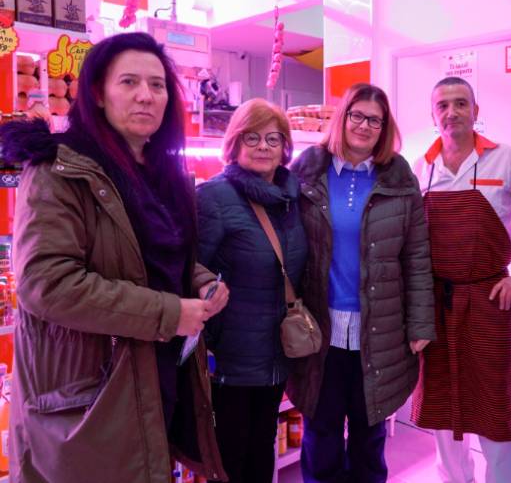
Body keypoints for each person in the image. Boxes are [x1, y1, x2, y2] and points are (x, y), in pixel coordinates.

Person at [0, 32, 229, 482]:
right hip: (87, 399)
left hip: (151, 376)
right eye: (129, 82)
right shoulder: (59, 170)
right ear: (99, 94)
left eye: (157, 85)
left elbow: (149, 255)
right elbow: (47, 284)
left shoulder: (160, 173)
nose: (146, 95)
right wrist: (169, 313)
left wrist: (199, 280)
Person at [288, 83, 435, 483]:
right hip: (320, 328)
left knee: (369, 437)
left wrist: (421, 323)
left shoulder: (399, 177)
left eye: (375, 120)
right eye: (357, 115)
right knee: (321, 434)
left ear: (384, 128)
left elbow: (417, 255)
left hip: (380, 329)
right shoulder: (307, 169)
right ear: (343, 117)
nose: (365, 126)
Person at [411, 76, 511, 483]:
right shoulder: (421, 167)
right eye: (443, 105)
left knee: (495, 406)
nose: (452, 112)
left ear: (476, 111)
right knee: (442, 407)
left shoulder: (507, 159)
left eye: (461, 103)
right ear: (433, 115)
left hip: (490, 302)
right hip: (436, 303)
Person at [196, 98, 308, 483]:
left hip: (277, 351)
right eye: (253, 137)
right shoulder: (214, 197)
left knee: (262, 449)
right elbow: (189, 266)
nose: (263, 147)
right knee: (230, 457)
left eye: (273, 139)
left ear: (285, 147)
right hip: (231, 357)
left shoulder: (291, 199)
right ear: (235, 143)